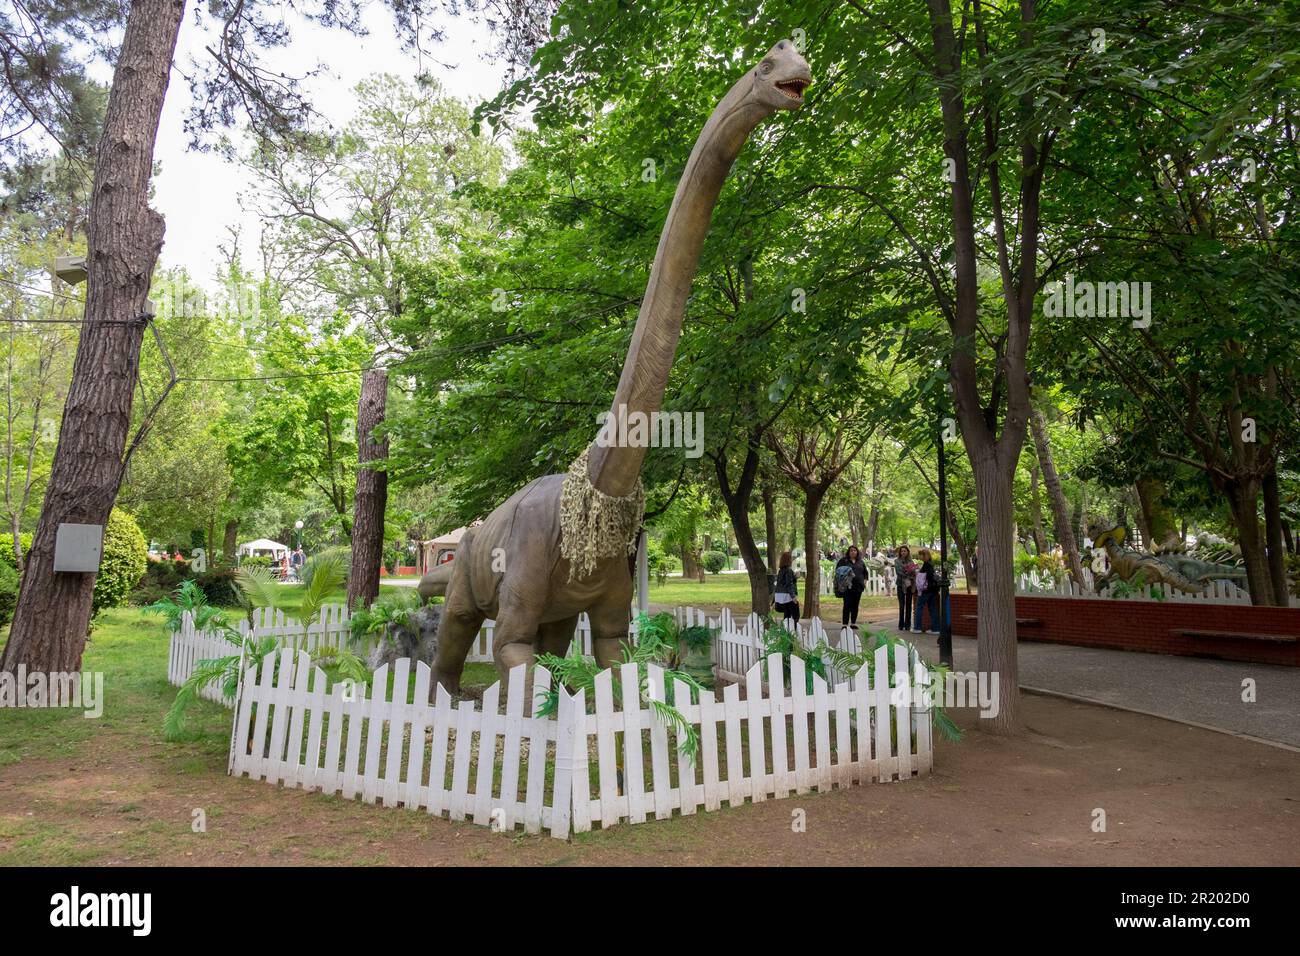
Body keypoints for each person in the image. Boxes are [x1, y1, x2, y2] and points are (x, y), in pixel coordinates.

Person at [835, 545, 868, 632]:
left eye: (855, 550)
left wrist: (865, 581)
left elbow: (865, 573)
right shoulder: (844, 561)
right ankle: (845, 624)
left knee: (855, 605)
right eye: (851, 551)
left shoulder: (860, 561)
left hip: (858, 587)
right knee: (847, 604)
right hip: (847, 587)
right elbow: (838, 571)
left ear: (857, 552)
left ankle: (853, 623)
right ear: (848, 552)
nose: (853, 552)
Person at [915, 547, 939, 634]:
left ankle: (917, 627)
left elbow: (927, 577)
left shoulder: (926, 565)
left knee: (919, 607)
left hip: (925, 590)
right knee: (932, 608)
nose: (919, 557)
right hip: (932, 590)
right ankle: (935, 628)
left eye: (920, 555)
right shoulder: (930, 564)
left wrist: (919, 574)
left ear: (924, 555)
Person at [773, 551, 800, 626]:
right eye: (791, 559)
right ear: (788, 560)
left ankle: (786, 631)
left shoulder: (781, 571)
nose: (792, 560)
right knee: (795, 614)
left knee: (787, 614)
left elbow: (781, 583)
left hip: (780, 595)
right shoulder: (788, 570)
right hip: (787, 595)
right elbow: (789, 584)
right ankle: (794, 630)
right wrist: (793, 596)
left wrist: (794, 577)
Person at [894, 545, 916, 631]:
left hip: (909, 585)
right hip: (900, 585)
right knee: (901, 605)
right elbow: (898, 572)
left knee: (908, 605)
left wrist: (910, 572)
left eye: (905, 551)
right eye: (902, 551)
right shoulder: (897, 561)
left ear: (908, 552)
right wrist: (908, 572)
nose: (903, 552)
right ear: (900, 552)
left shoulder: (911, 561)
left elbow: (914, 572)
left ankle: (908, 625)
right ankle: (901, 624)